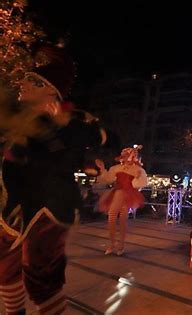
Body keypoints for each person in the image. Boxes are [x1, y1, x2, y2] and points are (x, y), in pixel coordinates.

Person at [0, 43, 106, 315]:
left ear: (52, 92)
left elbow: (87, 145)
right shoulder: (13, 118)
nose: (23, 82)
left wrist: (56, 127)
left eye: (34, 81)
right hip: (11, 205)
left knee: (41, 275)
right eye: (25, 78)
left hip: (47, 206)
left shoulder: (71, 123)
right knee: (4, 267)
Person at [95, 145, 147, 256]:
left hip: (127, 194)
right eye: (126, 156)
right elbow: (108, 179)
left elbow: (139, 184)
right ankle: (113, 244)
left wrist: (137, 177)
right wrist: (102, 169)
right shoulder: (116, 168)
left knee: (122, 220)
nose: (128, 159)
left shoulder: (138, 170)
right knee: (112, 216)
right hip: (118, 192)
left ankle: (120, 246)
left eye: (131, 156)